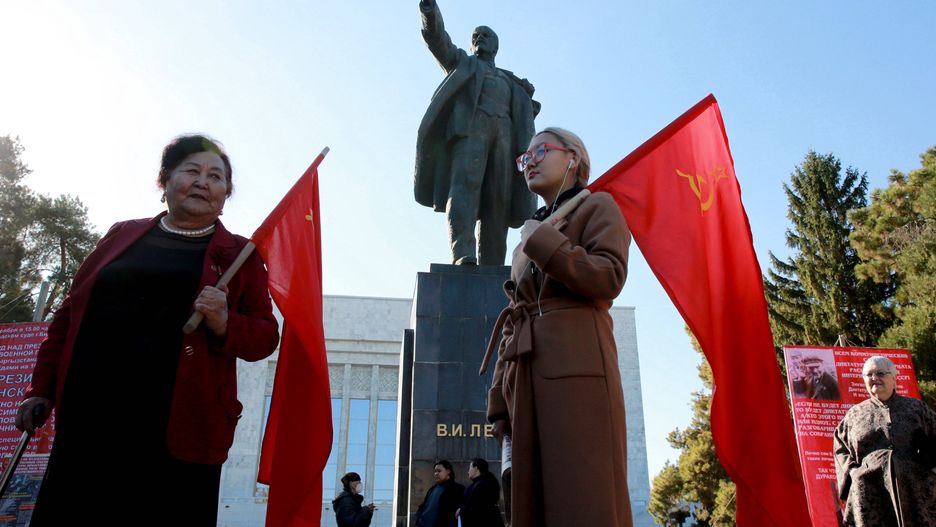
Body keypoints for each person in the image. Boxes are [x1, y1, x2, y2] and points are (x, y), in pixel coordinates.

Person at [14, 134, 279, 525]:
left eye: (216, 176)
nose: (204, 182)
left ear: (226, 193)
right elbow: (69, 317)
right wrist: (41, 390)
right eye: (192, 171)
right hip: (91, 421)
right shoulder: (121, 235)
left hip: (179, 429)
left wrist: (225, 322)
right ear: (165, 180)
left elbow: (264, 337)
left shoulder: (240, 256)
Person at [482, 127, 633, 526]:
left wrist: (546, 244)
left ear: (573, 158)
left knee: (581, 494)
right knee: (529, 502)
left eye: (539, 151)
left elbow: (608, 277)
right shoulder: (530, 233)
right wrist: (500, 399)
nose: (528, 161)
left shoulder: (598, 206)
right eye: (524, 158)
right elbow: (515, 317)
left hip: (577, 372)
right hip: (525, 378)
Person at [414, 0, 539, 265]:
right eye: (475, 36)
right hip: (469, 133)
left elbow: (525, 117)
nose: (480, 37)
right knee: (464, 191)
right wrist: (428, 11)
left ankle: (493, 262)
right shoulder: (462, 63)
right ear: (472, 46)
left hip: (505, 139)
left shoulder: (512, 81)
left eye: (486, 35)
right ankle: (463, 253)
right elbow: (437, 40)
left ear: (496, 46)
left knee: (498, 200)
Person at [833, 355, 936, 526]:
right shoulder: (854, 415)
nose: (874, 379)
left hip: (916, 491)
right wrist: (853, 473)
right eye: (869, 375)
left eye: (880, 373)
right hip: (869, 492)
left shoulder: (916, 408)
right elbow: (840, 449)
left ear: (894, 378)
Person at [415, 460, 464, 527]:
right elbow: (423, 507)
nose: (436, 473)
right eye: (435, 471)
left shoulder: (458, 488)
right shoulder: (432, 490)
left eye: (439, 471)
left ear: (448, 471)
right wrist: (418, 519)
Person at [458, 458, 504, 527]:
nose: (468, 471)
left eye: (470, 468)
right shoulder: (486, 482)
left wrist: (461, 511)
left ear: (476, 468)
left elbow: (478, 508)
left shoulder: (482, 485)